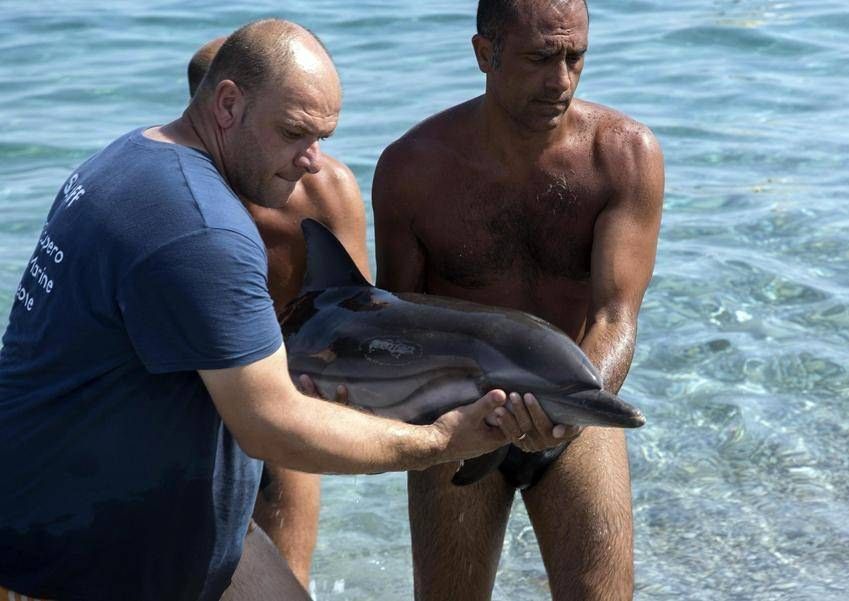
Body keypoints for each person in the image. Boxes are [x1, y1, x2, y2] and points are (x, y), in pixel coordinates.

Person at [0, 19, 575, 601]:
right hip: (83, 554)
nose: (312, 161)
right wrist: (443, 442)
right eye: (295, 133)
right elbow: (269, 422)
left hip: (158, 529)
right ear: (227, 104)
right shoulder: (201, 228)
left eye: (323, 136)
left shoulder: (133, 154)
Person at [372, 0, 664, 599]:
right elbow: (398, 325)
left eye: (574, 56)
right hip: (454, 421)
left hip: (577, 397)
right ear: (485, 54)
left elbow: (615, 315)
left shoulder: (624, 156)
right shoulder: (411, 170)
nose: (560, 81)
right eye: (538, 58)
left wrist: (568, 411)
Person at [188, 35, 371, 590]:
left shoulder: (325, 191)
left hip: (288, 392)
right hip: (193, 410)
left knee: (287, 578)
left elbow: (358, 312)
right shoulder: (182, 203)